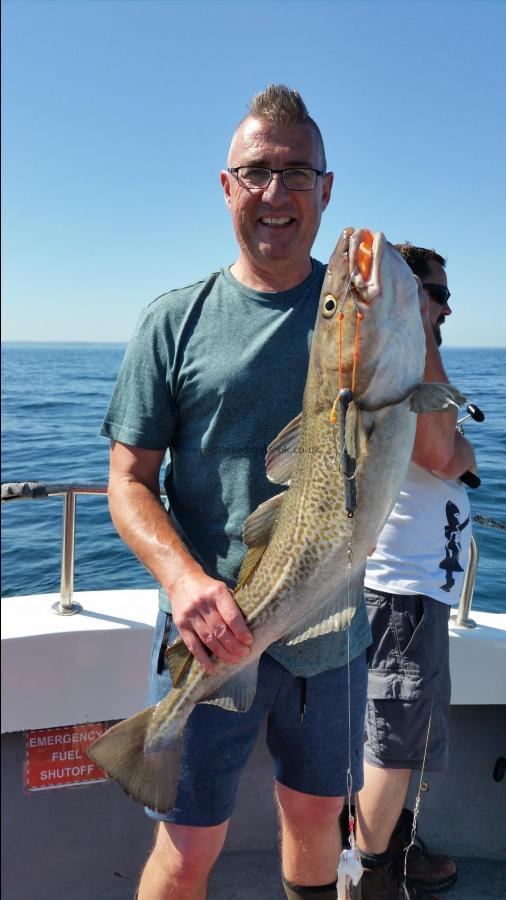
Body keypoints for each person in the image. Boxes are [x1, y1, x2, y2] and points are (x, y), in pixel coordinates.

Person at [100, 84, 372, 900]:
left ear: (329, 189)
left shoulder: (360, 316)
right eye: (255, 172)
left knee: (317, 817)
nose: (276, 194)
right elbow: (129, 481)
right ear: (226, 187)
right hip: (210, 633)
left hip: (333, 634)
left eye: (298, 173)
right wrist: (185, 583)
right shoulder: (172, 321)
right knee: (186, 850)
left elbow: (417, 440)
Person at [355, 245, 478, 900]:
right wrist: (416, 317)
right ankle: (367, 881)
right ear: (408, 292)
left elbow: (459, 450)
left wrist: (460, 449)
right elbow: (443, 450)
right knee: (392, 752)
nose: (449, 305)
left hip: (419, 596)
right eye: (437, 291)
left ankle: (397, 852)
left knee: (410, 746)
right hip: (400, 596)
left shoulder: (412, 357)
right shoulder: (404, 355)